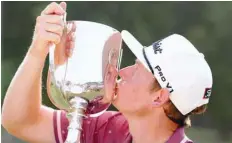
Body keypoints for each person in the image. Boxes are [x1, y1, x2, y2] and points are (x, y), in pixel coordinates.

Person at [2, 2, 213, 143]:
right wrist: (39, 50)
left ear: (159, 97)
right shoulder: (106, 126)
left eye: (138, 70)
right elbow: (19, 121)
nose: (123, 71)